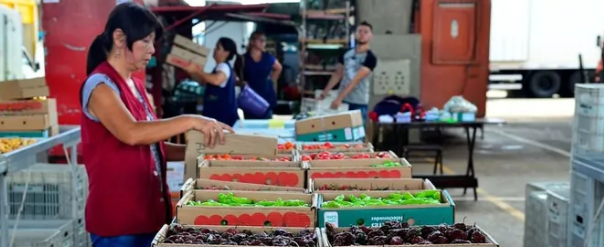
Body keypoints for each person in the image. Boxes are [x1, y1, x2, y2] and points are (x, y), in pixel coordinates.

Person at [79, 3, 233, 247]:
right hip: (118, 222)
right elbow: (131, 133)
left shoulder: (137, 86)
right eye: (146, 41)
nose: (152, 49)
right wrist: (192, 120)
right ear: (120, 38)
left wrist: (201, 151)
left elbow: (153, 146)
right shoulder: (100, 86)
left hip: (150, 213)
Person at [319, 21, 378, 121]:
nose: (362, 34)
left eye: (366, 32)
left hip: (359, 102)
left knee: (357, 134)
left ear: (371, 36)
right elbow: (338, 74)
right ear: (355, 34)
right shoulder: (346, 53)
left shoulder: (370, 58)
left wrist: (339, 98)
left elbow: (356, 80)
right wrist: (324, 92)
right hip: (343, 102)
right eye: (360, 31)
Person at [185, 37, 239, 127]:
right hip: (216, 116)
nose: (214, 50)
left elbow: (216, 80)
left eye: (218, 48)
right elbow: (204, 81)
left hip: (222, 117)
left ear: (226, 53)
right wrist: (191, 72)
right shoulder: (219, 67)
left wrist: (198, 70)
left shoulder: (224, 67)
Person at [236, 31, 282, 119]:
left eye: (264, 40)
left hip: (266, 97)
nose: (263, 42)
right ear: (252, 41)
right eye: (260, 40)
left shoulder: (268, 57)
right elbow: (234, 77)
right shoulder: (242, 59)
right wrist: (241, 83)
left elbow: (278, 68)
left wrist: (271, 81)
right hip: (249, 99)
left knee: (266, 126)